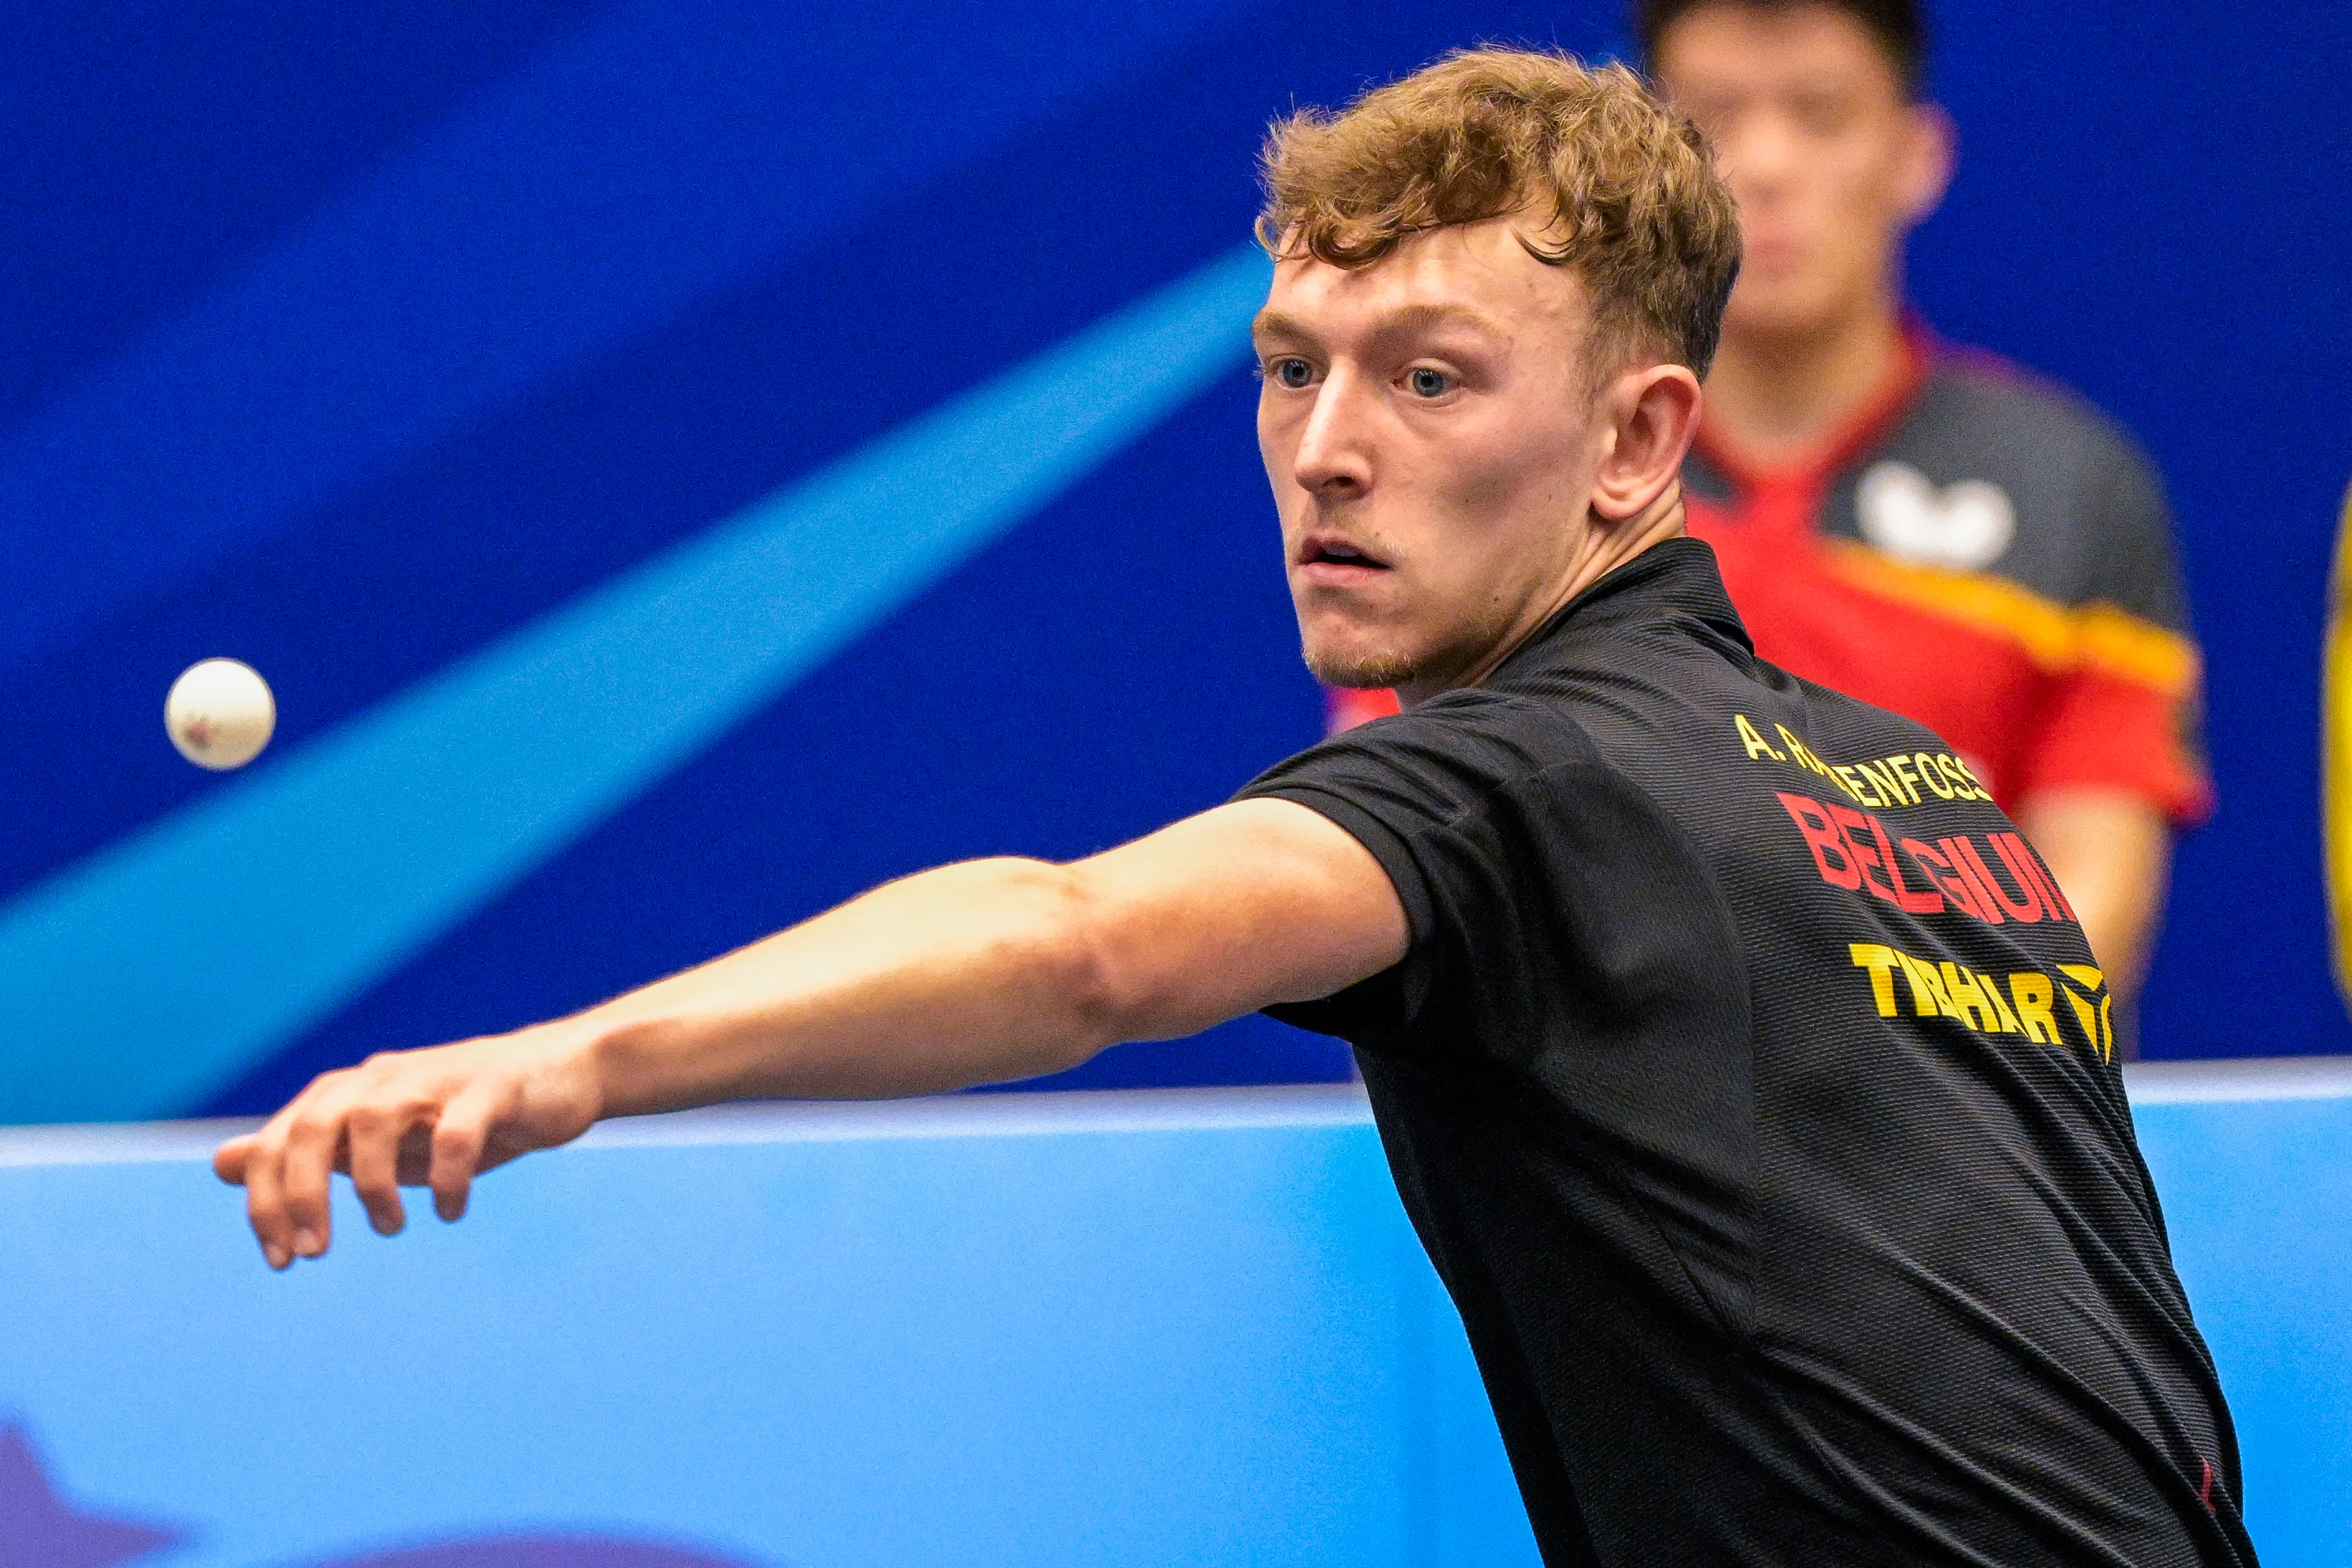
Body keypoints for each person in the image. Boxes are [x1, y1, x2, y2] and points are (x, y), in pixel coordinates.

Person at [215, 51, 2254, 1567]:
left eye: (1432, 379)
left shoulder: (1524, 783)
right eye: (1294, 369)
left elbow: (1081, 947)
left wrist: (574, 1059)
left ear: (1642, 443)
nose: (1327, 451)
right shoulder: (1905, 793)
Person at [1639, 0, 2209, 1004]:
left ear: (1914, 155)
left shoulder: (2073, 484)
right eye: (1712, 120)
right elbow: (1425, 838)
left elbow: (2089, 923)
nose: (1764, 166)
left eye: (1819, 115)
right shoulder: (1529, 476)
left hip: (1949, 1136)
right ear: (1643, 167)